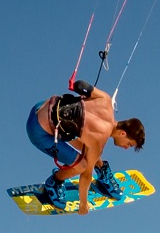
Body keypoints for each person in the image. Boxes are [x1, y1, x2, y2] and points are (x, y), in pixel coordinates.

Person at [25, 80, 145, 213]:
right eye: (128, 144)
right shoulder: (99, 139)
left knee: (87, 146)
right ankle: (54, 182)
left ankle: (102, 172)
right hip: (37, 131)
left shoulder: (105, 99)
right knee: (81, 165)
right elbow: (86, 176)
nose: (126, 147)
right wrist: (83, 205)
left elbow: (79, 85)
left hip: (42, 106)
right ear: (123, 133)